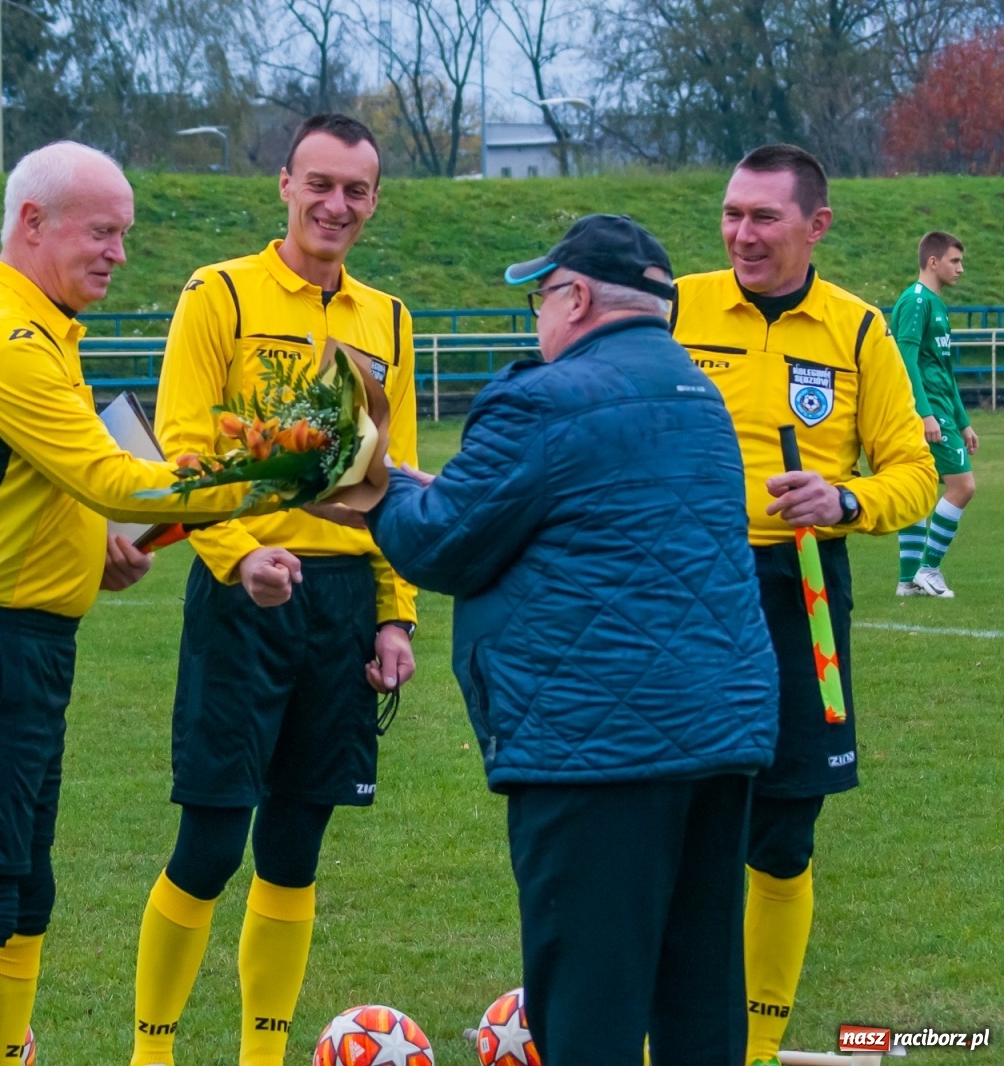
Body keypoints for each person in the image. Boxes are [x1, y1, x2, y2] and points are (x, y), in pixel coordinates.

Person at [364, 214, 780, 1066]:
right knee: (699, 990)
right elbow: (591, 517)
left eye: (541, 298)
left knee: (590, 1003)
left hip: (598, 747)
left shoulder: (544, 397)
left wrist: (376, 492)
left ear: (577, 296)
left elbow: (441, 543)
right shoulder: (698, 392)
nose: (537, 319)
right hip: (716, 735)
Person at [0, 140, 270, 1066]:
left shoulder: (43, 328)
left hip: (26, 644)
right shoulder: (5, 338)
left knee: (27, 890)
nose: (117, 252)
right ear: (34, 224)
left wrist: (91, 549)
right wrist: (260, 476)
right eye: (102, 231)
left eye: (125, 235)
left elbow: (45, 486)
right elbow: (109, 475)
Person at [129, 113, 419, 1066]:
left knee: (295, 848)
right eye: (321, 184)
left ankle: (264, 1054)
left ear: (374, 202)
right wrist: (238, 552)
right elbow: (181, 446)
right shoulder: (219, 294)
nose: (337, 204)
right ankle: (153, 1050)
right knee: (212, 844)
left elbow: (393, 477)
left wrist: (392, 614)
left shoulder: (388, 318)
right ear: (285, 185)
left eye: (357, 190)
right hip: (243, 596)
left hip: (339, 609)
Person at [670, 145, 937, 1066]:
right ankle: (674, 1027)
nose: (742, 233)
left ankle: (755, 1045)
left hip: (803, 593)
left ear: (815, 226)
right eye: (732, 213)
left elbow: (915, 471)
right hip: (683, 588)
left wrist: (845, 501)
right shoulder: (677, 305)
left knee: (782, 830)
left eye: (764, 217)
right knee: (681, 818)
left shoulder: (860, 332)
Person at [890, 231, 979, 597]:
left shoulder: (936, 304)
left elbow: (943, 368)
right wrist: (925, 413)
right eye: (954, 261)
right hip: (928, 410)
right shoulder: (915, 301)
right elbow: (905, 360)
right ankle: (929, 568)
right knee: (963, 486)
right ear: (933, 262)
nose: (960, 268)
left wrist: (964, 421)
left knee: (921, 488)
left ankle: (907, 580)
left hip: (942, 408)